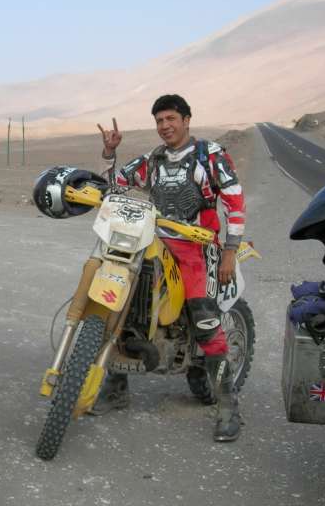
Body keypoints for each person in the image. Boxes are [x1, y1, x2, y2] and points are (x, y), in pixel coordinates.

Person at [93, 93, 247, 442]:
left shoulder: (211, 155)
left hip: (198, 245)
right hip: (154, 240)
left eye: (171, 119)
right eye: (159, 120)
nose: (165, 126)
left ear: (186, 120)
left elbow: (235, 203)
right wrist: (109, 153)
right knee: (118, 302)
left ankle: (227, 406)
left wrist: (230, 251)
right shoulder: (152, 160)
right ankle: (116, 386)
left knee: (205, 320)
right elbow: (113, 188)